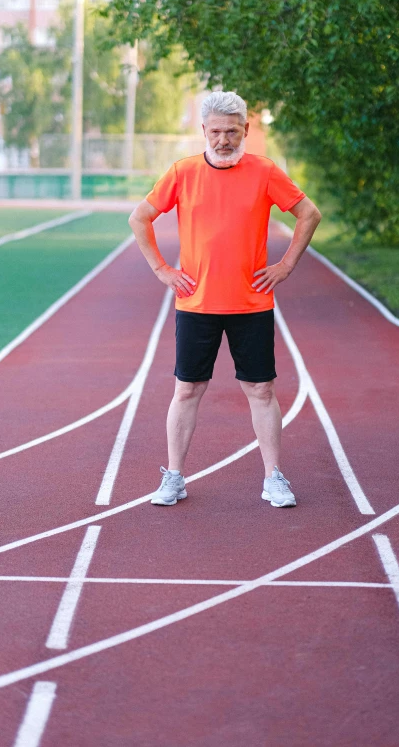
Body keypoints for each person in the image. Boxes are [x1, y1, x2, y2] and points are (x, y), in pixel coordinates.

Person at [128, 91, 321, 507]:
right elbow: (139, 217)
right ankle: (174, 478)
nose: (223, 139)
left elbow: (310, 214)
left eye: (232, 131)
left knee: (262, 391)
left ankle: (274, 478)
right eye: (215, 131)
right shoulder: (182, 172)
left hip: (252, 303)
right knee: (186, 390)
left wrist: (285, 265)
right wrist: (163, 269)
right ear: (203, 131)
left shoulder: (265, 171)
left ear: (246, 131)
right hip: (196, 304)